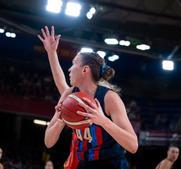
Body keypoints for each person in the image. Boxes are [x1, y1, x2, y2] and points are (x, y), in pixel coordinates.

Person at [38, 26, 138, 169]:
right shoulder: (69, 95)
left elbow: (133, 146)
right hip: (83, 163)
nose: (70, 69)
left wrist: (103, 121)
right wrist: (60, 120)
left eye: (73, 64)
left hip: (111, 163)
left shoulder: (109, 98)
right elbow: (48, 142)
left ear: (85, 70)